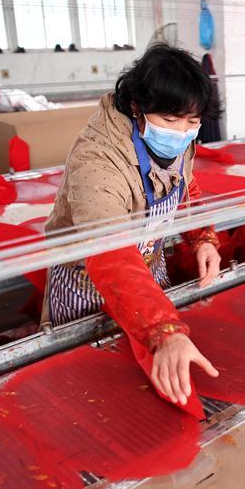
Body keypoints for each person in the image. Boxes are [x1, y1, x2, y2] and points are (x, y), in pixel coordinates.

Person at [43, 44, 221, 407]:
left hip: (147, 271)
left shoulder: (180, 143)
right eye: (170, 121)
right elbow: (108, 252)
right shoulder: (97, 160)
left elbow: (185, 184)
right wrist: (163, 330)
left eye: (193, 122)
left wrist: (202, 237)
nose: (183, 132)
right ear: (137, 107)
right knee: (97, 391)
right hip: (89, 283)